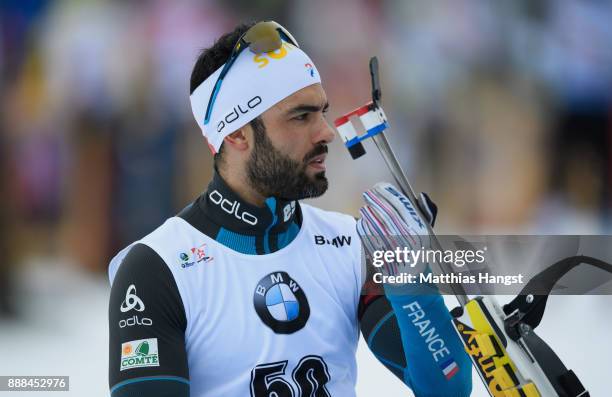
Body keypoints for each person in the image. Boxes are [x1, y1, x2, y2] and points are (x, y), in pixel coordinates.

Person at [108, 21, 472, 397]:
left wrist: (411, 281)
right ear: (235, 133)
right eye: (301, 116)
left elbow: (447, 388)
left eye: (322, 111)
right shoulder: (156, 268)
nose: (326, 132)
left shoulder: (348, 244)